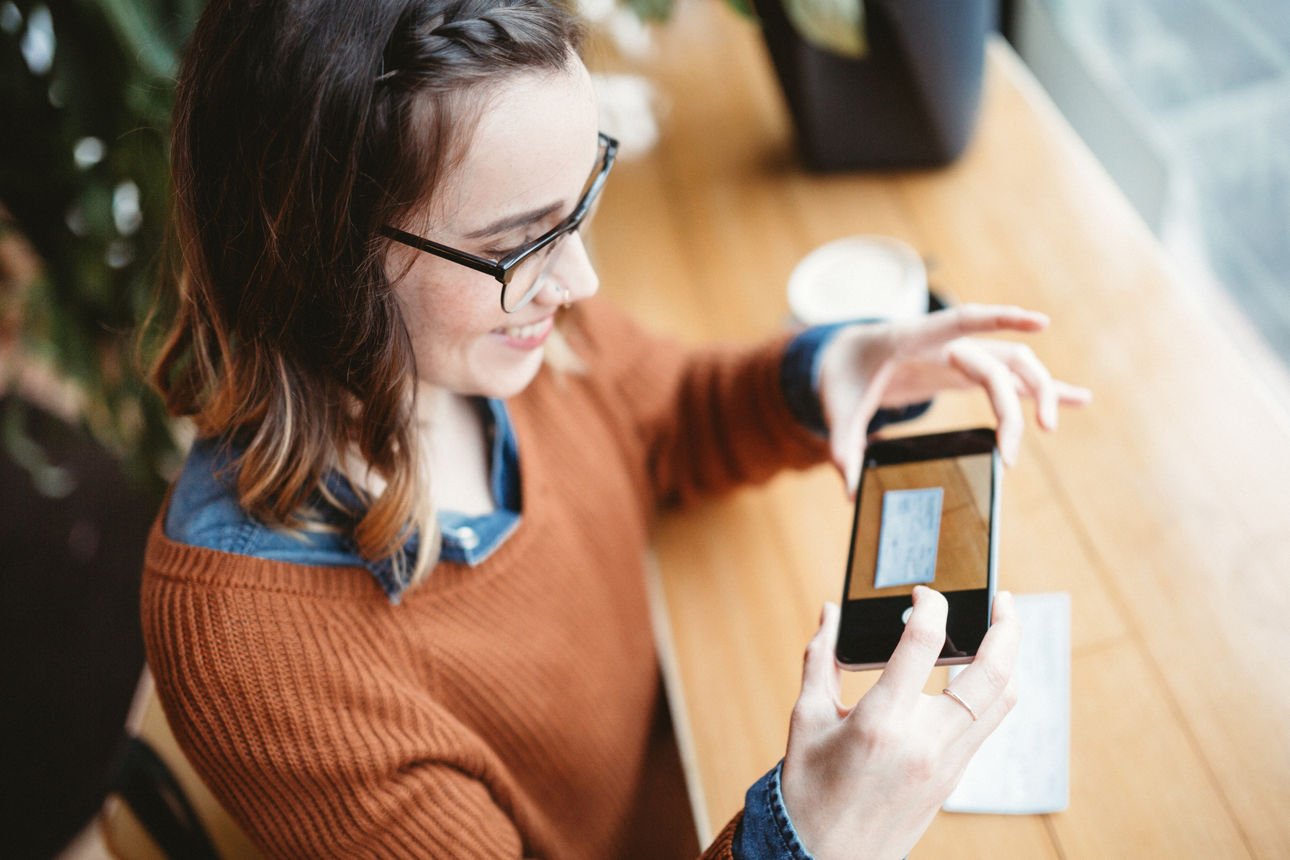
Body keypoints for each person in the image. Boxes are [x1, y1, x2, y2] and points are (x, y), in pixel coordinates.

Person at [141, 0, 1091, 857]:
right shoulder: (257, 653)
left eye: (582, 200)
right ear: (316, 256)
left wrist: (823, 374)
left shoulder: (492, 333)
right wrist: (809, 841)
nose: (580, 281)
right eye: (518, 243)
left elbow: (664, 417)